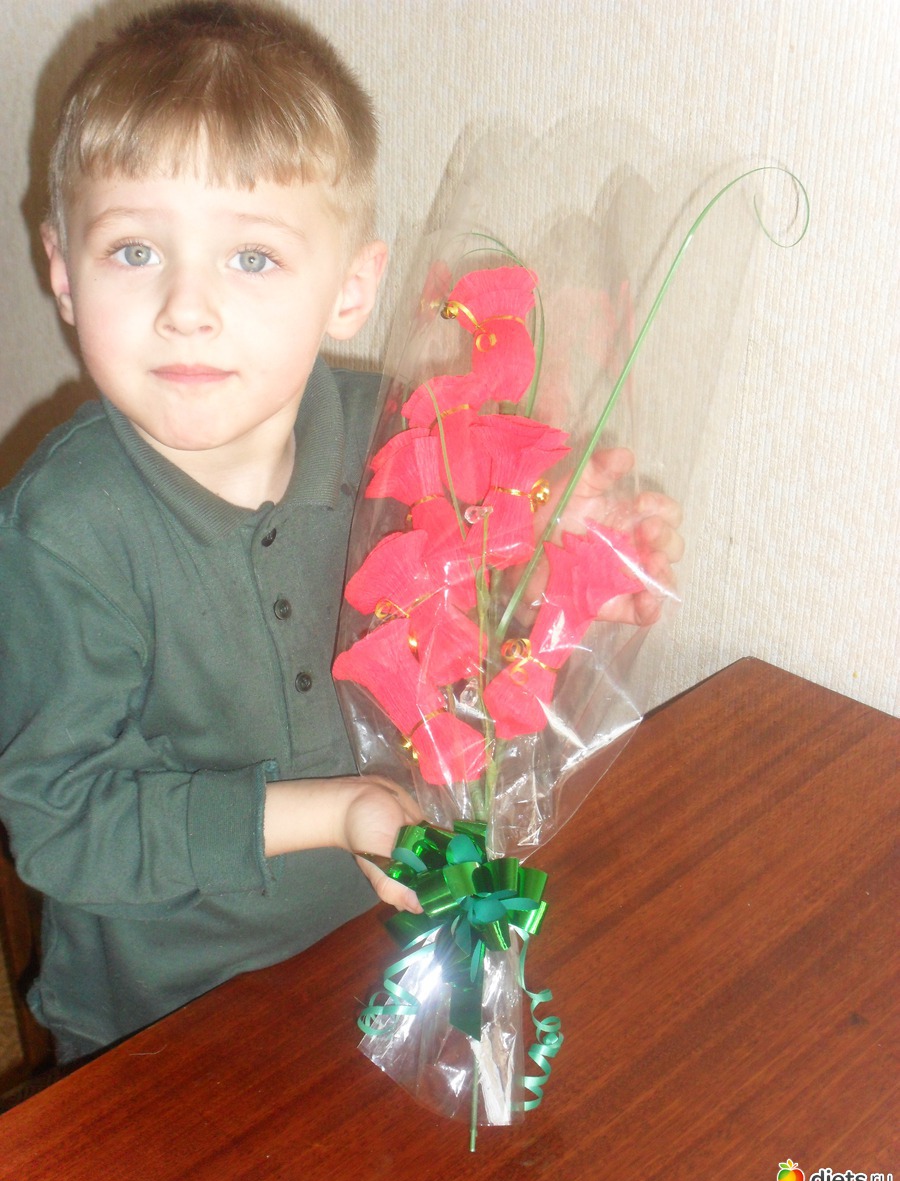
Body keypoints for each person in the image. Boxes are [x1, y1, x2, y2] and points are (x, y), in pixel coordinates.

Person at [0, 0, 682, 1065]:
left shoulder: (410, 442)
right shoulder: (67, 530)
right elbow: (61, 826)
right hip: (157, 1017)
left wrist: (579, 562)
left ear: (353, 289)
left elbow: (481, 626)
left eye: (252, 259)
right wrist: (337, 814)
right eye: (134, 250)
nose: (187, 307)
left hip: (375, 954)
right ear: (60, 271)